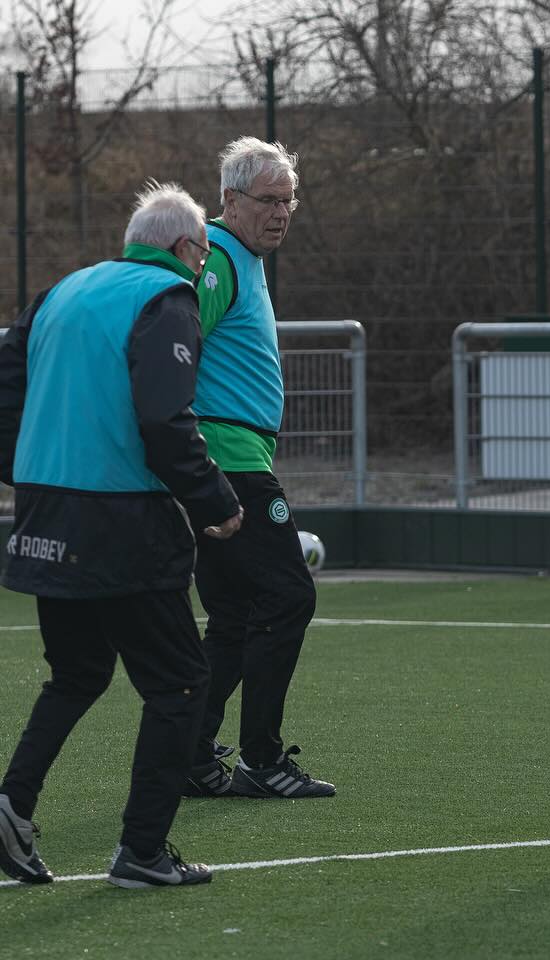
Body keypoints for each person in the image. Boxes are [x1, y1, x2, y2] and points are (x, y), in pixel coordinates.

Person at [0, 182, 243, 888]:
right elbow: (166, 421)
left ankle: (12, 804)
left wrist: (35, 473)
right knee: (179, 683)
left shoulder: (62, 291)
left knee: (77, 673)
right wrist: (214, 501)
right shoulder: (167, 300)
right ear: (184, 247)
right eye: (203, 252)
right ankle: (142, 851)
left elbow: (5, 394)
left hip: (46, 510)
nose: (204, 266)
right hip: (121, 518)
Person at [183, 137, 332, 799]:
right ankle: (262, 760)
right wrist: (195, 461)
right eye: (268, 200)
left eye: (289, 200)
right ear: (229, 201)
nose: (281, 212)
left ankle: (189, 749)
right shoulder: (218, 260)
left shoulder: (241, 257)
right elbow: (177, 349)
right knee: (289, 596)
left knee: (238, 615)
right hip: (232, 466)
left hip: (229, 461)